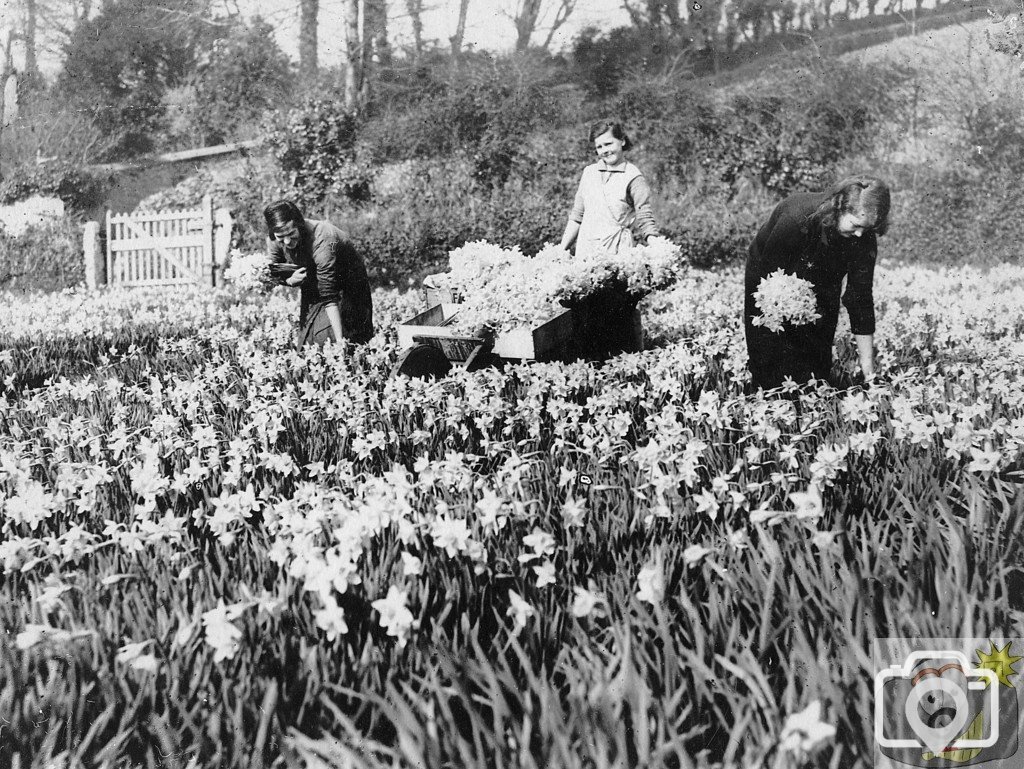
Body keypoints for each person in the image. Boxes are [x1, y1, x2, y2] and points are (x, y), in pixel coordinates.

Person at [743, 175, 891, 390]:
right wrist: (785, 309)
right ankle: (766, 392)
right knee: (770, 350)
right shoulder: (797, 217)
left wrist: (868, 369)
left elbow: (860, 299)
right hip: (771, 275)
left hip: (824, 276)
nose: (860, 234)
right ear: (839, 208)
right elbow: (769, 284)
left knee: (816, 356)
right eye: (856, 225)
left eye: (867, 229)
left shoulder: (862, 237)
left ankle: (812, 395)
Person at [264, 199, 374, 351]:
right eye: (281, 237)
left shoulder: (322, 237)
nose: (287, 241)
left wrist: (340, 342)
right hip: (314, 281)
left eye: (291, 233)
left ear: (299, 225)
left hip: (348, 284)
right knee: (309, 343)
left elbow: (329, 295)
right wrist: (289, 281)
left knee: (338, 339)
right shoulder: (274, 239)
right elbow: (271, 271)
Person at [558, 120, 660, 258]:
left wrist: (659, 248)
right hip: (586, 250)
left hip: (617, 251)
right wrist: (561, 250)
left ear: (622, 141)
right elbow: (577, 216)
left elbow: (644, 217)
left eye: (608, 144)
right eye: (599, 147)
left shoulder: (633, 177)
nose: (604, 151)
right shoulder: (589, 173)